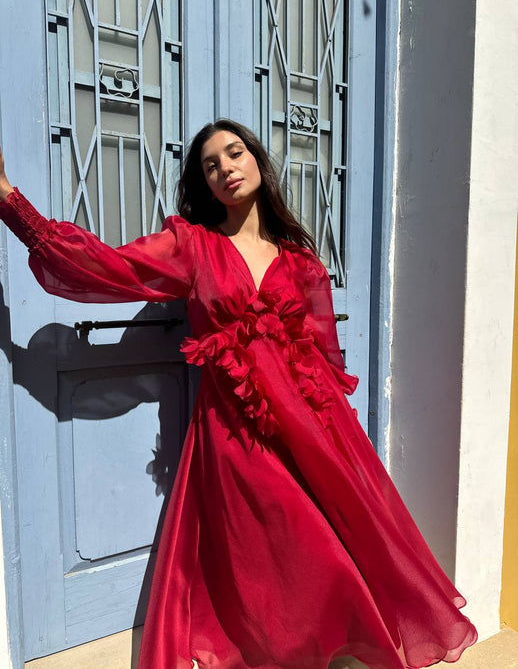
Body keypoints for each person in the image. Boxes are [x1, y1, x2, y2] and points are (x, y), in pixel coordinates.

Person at [0, 120, 477, 669]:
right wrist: (11, 201)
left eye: (234, 153)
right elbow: (109, 267)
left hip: (315, 431)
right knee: (291, 550)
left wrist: (341, 452)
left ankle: (334, 652)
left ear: (256, 161)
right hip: (237, 432)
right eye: (210, 164)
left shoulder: (302, 263)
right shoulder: (192, 246)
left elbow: (325, 356)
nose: (225, 167)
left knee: (340, 551)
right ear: (205, 184)